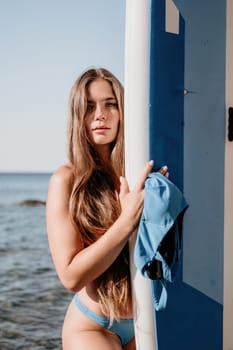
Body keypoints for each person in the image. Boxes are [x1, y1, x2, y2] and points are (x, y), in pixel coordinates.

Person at [46, 68, 168, 350]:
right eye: (89, 107)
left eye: (110, 104)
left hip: (148, 319)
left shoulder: (141, 173)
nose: (100, 115)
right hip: (93, 325)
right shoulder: (66, 180)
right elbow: (71, 277)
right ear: (78, 117)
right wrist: (126, 221)